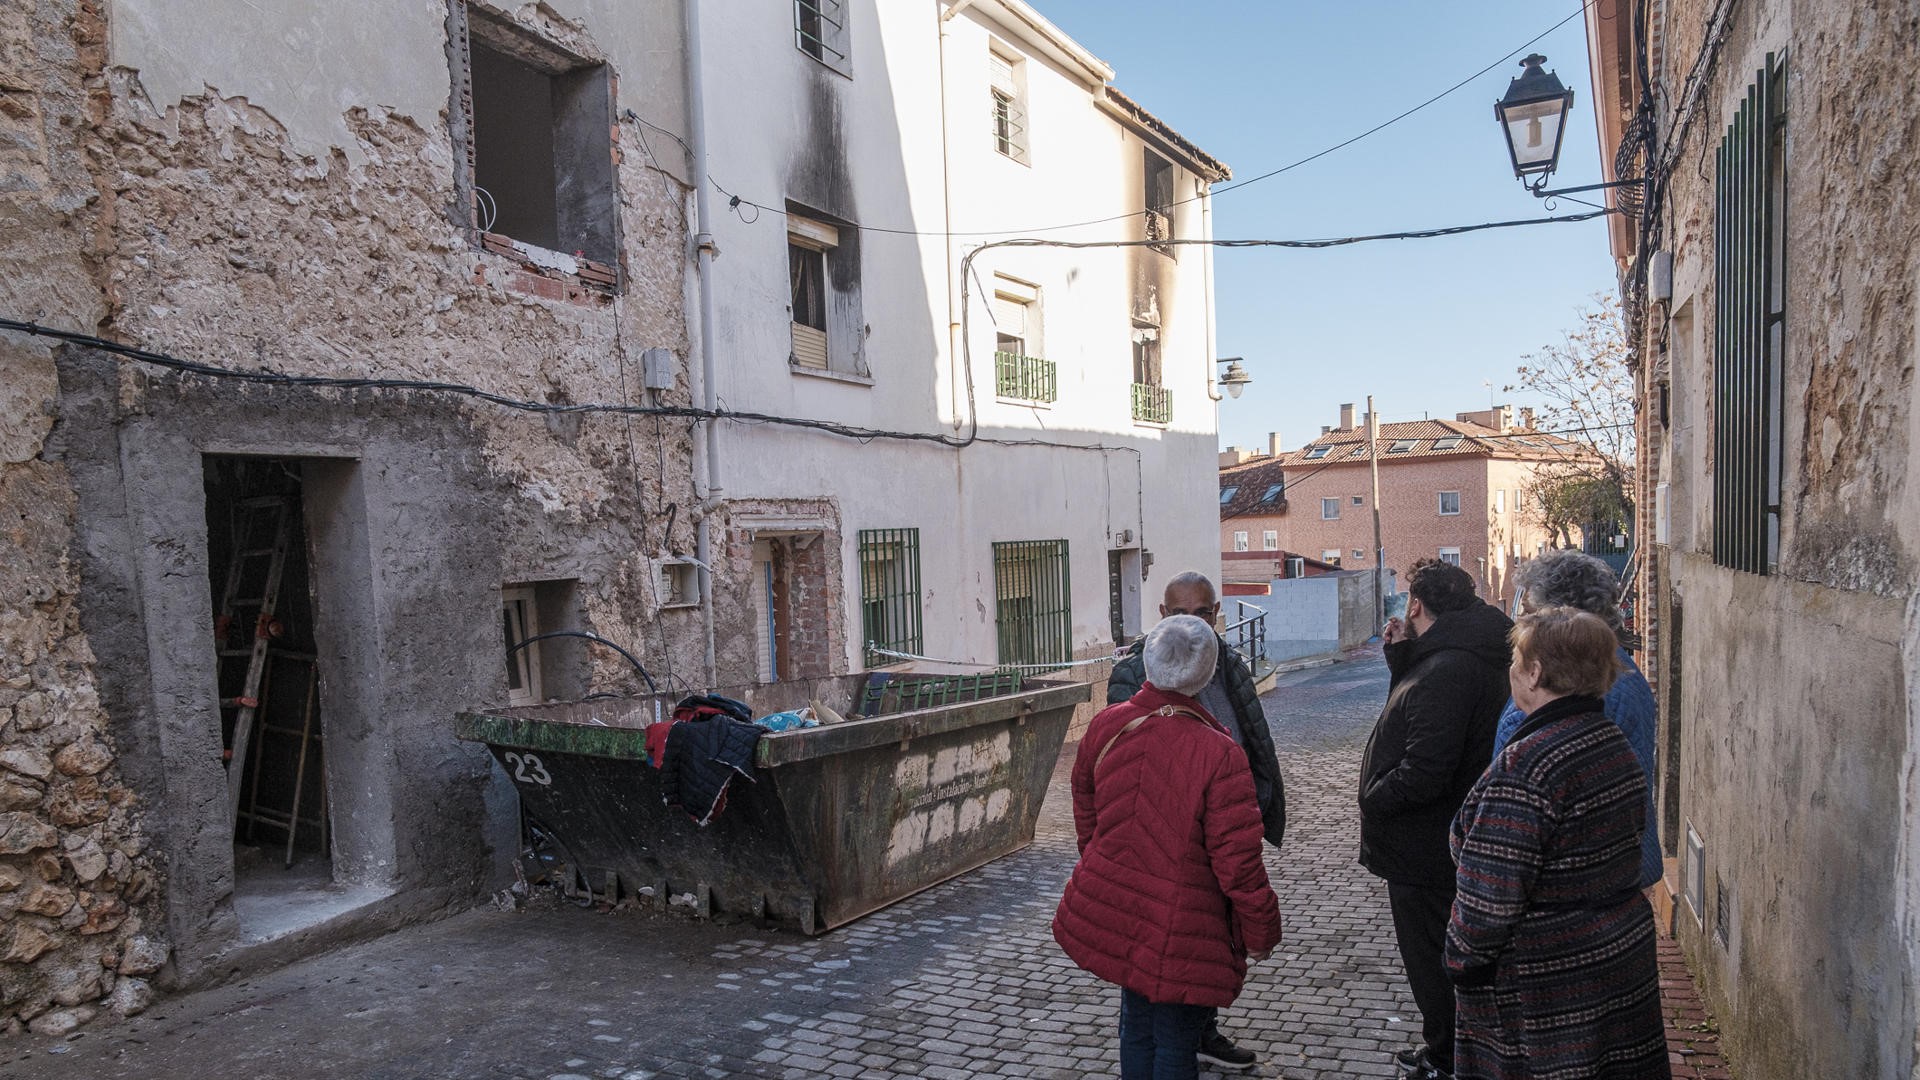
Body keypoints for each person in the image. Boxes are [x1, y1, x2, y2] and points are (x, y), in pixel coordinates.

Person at [1444, 608, 1671, 1080]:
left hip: (1545, 988)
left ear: (1535, 672)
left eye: (1516, 659)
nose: (1510, 669)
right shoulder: (1608, 740)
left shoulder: (1527, 767)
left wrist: (1461, 963)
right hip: (1613, 962)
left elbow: (1490, 901)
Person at [1056, 615, 1282, 1080]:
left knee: (1137, 1025)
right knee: (1176, 1040)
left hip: (1127, 906)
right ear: (1205, 673)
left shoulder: (1106, 725)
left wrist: (1103, 863)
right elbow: (1237, 862)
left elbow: (1085, 804)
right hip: (1186, 920)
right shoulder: (1219, 752)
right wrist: (1261, 929)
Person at [1108, 571, 1285, 1072]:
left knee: (1188, 985)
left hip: (1216, 845)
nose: (1193, 621)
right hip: (1163, 860)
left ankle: (1204, 1034)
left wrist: (1262, 800)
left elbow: (1255, 734)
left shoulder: (1227, 663)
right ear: (1162, 616)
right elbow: (1104, 792)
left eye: (1203, 611)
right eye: (1181, 611)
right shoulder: (1135, 680)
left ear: (1216, 614)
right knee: (1156, 1012)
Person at [1358, 558, 1512, 1080]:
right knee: (1441, 957)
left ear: (1417, 604)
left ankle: (1447, 1058)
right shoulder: (1470, 648)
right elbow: (1418, 716)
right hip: (1442, 839)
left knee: (1432, 961)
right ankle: (1447, 1047)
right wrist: (1402, 656)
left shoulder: (1449, 668)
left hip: (1426, 847)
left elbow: (1426, 766)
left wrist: (1374, 795)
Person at [1491, 550, 1661, 890]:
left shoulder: (1553, 690)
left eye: (1528, 615)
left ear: (1556, 618)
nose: (1519, 626)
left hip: (1571, 885)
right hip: (1619, 867)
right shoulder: (1620, 667)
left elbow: (1508, 825)